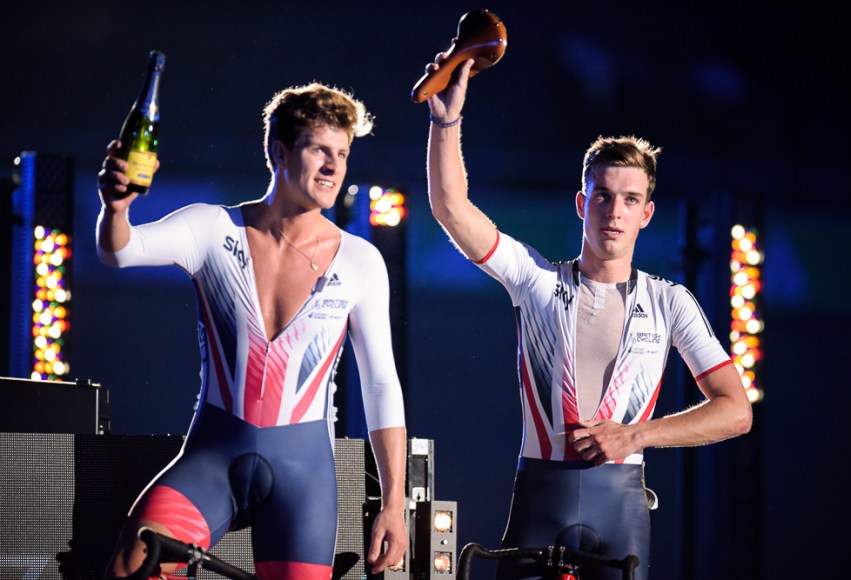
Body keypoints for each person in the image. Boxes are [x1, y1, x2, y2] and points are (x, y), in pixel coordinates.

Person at [423, 57, 753, 580]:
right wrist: (446, 122)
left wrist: (636, 436)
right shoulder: (536, 280)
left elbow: (736, 412)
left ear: (646, 213)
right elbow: (450, 207)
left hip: (621, 511)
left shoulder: (672, 303)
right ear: (582, 203)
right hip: (538, 500)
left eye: (629, 200)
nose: (614, 211)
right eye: (603, 196)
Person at [96, 82, 408, 579]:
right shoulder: (211, 230)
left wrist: (395, 501)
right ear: (278, 152)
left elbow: (380, 384)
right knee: (132, 568)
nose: (333, 167)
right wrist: (117, 207)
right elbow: (119, 251)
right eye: (318, 150)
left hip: (303, 481)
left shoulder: (361, 261)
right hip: (212, 460)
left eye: (342, 153)